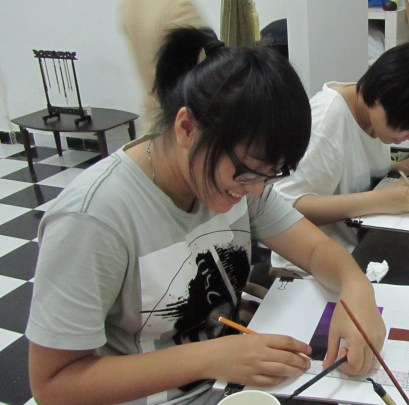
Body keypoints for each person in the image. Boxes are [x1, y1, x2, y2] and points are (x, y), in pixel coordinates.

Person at [26, 27, 385, 405]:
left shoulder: (241, 181)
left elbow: (314, 251)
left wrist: (356, 288)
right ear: (186, 128)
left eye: (271, 175)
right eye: (248, 172)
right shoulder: (93, 218)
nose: (255, 190)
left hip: (226, 381)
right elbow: (53, 385)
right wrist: (211, 358)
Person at [271, 40, 409, 272]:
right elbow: (285, 207)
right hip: (307, 268)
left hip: (356, 249)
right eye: (408, 126)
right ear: (385, 95)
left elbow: (347, 166)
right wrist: (379, 201)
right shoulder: (329, 118)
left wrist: (395, 165)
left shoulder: (372, 114)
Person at [120, 0, 206, 135]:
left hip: (153, 122)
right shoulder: (178, 9)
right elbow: (207, 76)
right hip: (183, 128)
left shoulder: (131, 4)